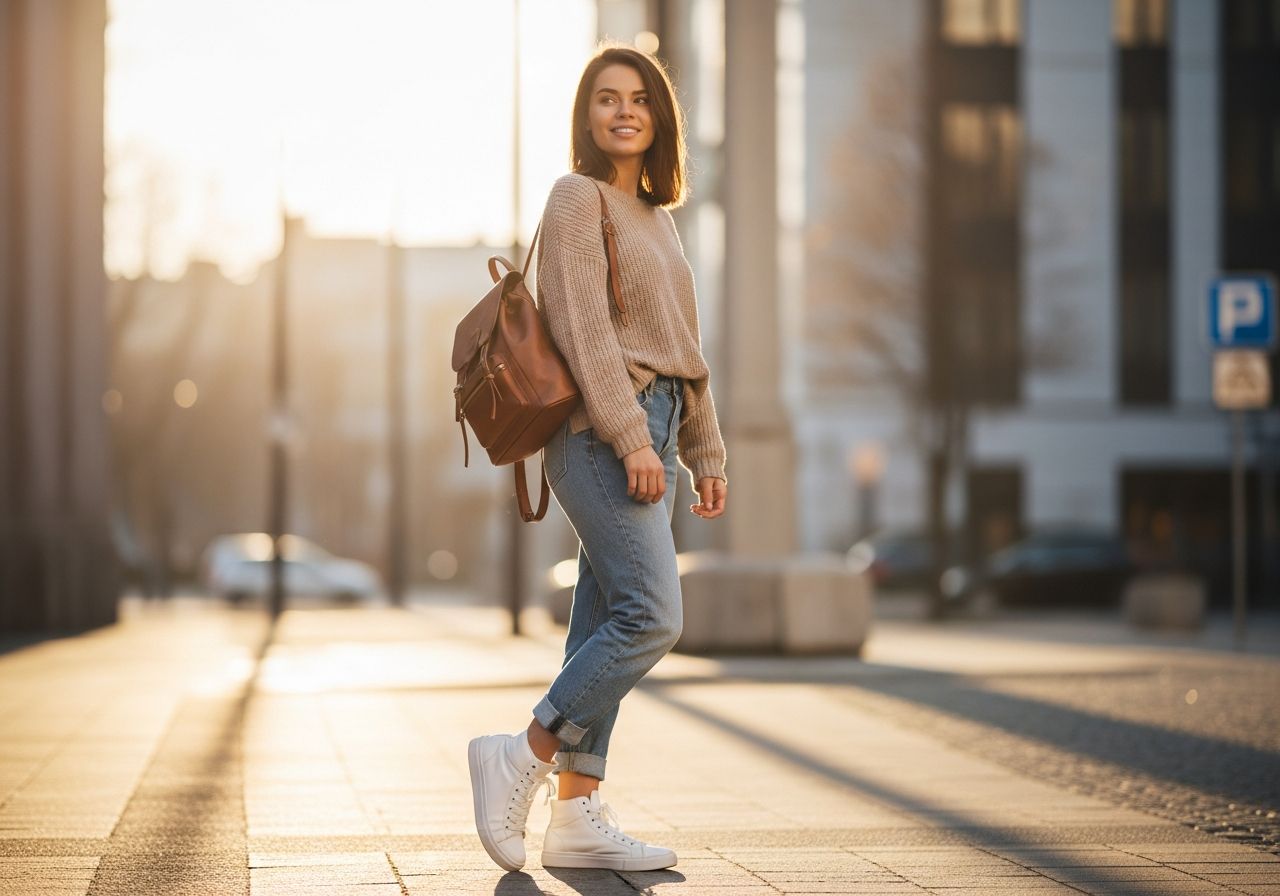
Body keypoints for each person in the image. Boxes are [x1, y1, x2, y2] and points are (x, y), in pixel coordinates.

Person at [467, 44, 728, 873]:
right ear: (586, 116)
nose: (624, 111)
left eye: (640, 98)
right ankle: (522, 752)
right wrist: (628, 435)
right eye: (607, 98)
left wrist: (704, 450)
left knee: (604, 621)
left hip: (655, 430)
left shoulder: (659, 218)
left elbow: (684, 349)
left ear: (660, 118)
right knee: (653, 616)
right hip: (598, 433)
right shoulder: (576, 197)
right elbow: (581, 328)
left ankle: (576, 814)